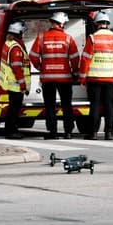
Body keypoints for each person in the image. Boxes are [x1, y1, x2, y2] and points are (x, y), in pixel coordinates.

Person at [30, 10, 81, 140]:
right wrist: (75, 73)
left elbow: (33, 56)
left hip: (47, 78)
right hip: (64, 78)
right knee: (66, 105)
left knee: (50, 105)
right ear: (62, 23)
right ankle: (68, 131)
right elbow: (75, 58)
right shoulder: (68, 38)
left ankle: (52, 132)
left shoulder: (41, 38)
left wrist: (40, 67)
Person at [80, 10, 113, 140]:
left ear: (96, 24)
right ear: (108, 24)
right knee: (109, 106)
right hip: (110, 79)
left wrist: (82, 78)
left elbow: (85, 59)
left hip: (94, 78)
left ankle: (92, 133)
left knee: (95, 105)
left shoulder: (93, 38)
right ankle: (108, 133)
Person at [0, 21, 30, 140]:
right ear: (19, 33)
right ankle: (11, 131)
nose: (23, 35)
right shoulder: (16, 48)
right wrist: (23, 85)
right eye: (22, 32)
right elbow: (17, 67)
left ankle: (11, 129)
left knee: (13, 107)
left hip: (10, 82)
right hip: (15, 83)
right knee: (14, 108)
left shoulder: (8, 43)